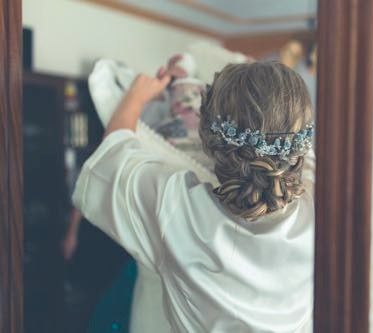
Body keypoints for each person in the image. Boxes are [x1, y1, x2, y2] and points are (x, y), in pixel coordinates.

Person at [73, 60, 315, 332]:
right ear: (304, 140)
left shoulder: (175, 208)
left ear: (205, 135)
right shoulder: (323, 209)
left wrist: (137, 93)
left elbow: (112, 155)